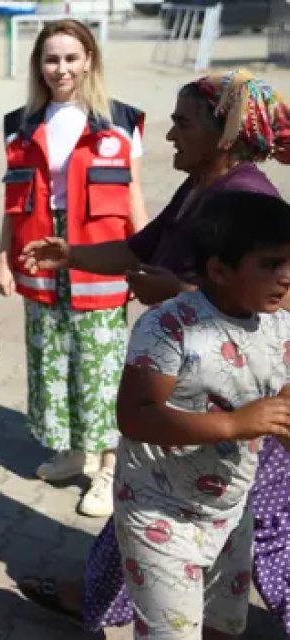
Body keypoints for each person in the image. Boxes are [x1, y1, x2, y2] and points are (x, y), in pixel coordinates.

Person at [14, 69, 290, 637]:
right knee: (159, 528)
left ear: (226, 133)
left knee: (263, 538)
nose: (168, 135)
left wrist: (179, 295)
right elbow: (140, 249)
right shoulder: (202, 189)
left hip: (233, 423)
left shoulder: (245, 201)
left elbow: (267, 306)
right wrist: (72, 255)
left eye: (182, 123)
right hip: (182, 440)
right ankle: (95, 599)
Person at [113, 190, 290, 639]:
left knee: (223, 628)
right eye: (270, 264)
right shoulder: (169, 327)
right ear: (218, 271)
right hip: (161, 514)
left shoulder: (279, 324)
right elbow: (134, 416)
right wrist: (232, 424)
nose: (286, 278)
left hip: (230, 510)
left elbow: (281, 409)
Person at [0, 19, 149, 517]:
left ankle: (108, 466)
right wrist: (2, 257)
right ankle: (72, 450)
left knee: (100, 367)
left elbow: (133, 194)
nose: (61, 68)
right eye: (51, 59)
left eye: (70, 58)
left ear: (89, 60)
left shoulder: (122, 120)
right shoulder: (18, 122)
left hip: (100, 257)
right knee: (51, 361)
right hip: (40, 258)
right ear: (39, 65)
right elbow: (12, 201)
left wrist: (145, 258)